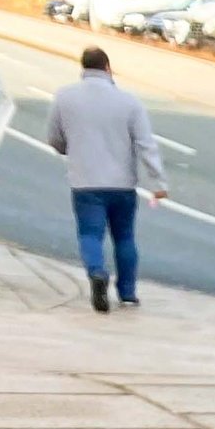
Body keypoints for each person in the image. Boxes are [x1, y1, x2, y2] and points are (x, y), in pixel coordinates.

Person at [45, 46, 168, 313]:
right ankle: (127, 293)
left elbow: (54, 138)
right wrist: (158, 183)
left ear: (82, 67)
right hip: (122, 184)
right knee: (124, 237)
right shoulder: (129, 101)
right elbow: (146, 144)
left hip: (85, 181)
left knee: (90, 234)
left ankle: (97, 272)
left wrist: (70, 148)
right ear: (108, 68)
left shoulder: (65, 97)